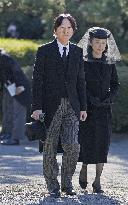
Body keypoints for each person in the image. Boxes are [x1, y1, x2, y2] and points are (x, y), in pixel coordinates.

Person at [31, 13, 87, 197]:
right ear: (55, 30)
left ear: (73, 30)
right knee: (50, 146)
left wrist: (83, 107)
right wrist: (36, 107)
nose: (66, 31)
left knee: (73, 146)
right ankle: (52, 184)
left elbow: (81, 81)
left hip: (72, 105)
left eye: (69, 28)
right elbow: (37, 81)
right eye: (62, 28)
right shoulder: (44, 51)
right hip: (49, 106)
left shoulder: (78, 52)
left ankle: (67, 181)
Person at [78, 27, 121, 193]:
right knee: (87, 142)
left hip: (104, 109)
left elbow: (115, 84)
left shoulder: (109, 62)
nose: (100, 46)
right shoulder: (83, 61)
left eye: (103, 43)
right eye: (97, 42)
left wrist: (109, 98)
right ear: (90, 42)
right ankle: (83, 168)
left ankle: (97, 181)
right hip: (87, 109)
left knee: (102, 144)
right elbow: (79, 84)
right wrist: (89, 99)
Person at [0, 48, 31, 145]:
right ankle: (8, 134)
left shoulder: (4, 57)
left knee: (19, 112)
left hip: (19, 86)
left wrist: (19, 86)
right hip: (11, 86)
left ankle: (15, 139)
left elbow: (16, 70)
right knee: (10, 110)